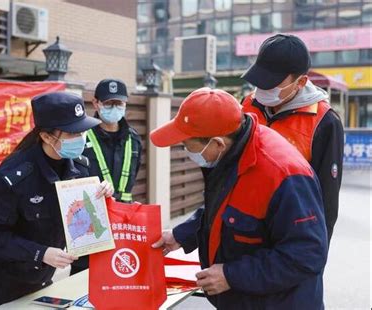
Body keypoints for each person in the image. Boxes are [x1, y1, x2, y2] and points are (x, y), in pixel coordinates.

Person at [151, 88, 328, 309]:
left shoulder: (283, 174)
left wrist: (230, 275)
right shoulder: (235, 152)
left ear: (217, 143)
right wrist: (181, 235)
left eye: (188, 146)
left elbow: (307, 255)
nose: (187, 152)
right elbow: (227, 206)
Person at [0, 92, 114, 309]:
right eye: (73, 132)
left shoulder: (80, 166)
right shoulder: (14, 177)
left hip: (43, 279)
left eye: (82, 131)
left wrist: (104, 197)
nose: (81, 138)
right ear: (47, 137)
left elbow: (84, 218)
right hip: (5, 283)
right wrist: (41, 253)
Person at [240, 34, 344, 242]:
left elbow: (327, 201)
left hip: (290, 234)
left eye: (272, 83)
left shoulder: (325, 122)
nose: (263, 90)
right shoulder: (247, 105)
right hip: (243, 228)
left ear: (301, 82)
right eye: (260, 81)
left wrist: (314, 254)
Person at [70, 79, 142, 275]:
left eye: (119, 103)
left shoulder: (134, 140)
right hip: (88, 226)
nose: (114, 108)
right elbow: (71, 179)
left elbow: (132, 179)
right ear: (96, 104)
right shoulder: (81, 138)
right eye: (109, 103)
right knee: (83, 283)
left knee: (119, 280)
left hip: (123, 225)